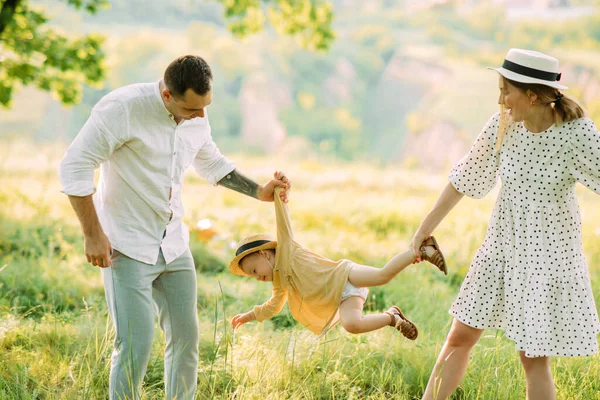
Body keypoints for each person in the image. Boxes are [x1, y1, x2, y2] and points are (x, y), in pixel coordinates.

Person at [58, 55, 290, 400]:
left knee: (186, 340)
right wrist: (92, 233)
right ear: (167, 95)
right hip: (126, 246)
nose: (200, 115)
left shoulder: (196, 112)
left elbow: (209, 159)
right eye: (192, 109)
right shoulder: (122, 109)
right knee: (135, 345)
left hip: (174, 244)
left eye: (205, 107)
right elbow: (74, 166)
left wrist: (258, 191)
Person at [410, 48, 600, 400]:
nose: (500, 99)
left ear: (531, 93)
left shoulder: (577, 133)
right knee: (459, 337)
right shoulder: (502, 125)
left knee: (533, 359)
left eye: (506, 90)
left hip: (547, 258)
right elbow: (463, 178)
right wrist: (424, 228)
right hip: (500, 249)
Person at [229, 181, 447, 338]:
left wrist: (279, 190)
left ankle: (422, 250)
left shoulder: (286, 249)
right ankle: (392, 317)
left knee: (382, 276)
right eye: (252, 276)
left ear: (265, 254)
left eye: (255, 271)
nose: (257, 278)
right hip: (341, 298)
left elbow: (282, 220)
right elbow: (271, 307)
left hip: (344, 274)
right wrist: (248, 316)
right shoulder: (279, 285)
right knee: (352, 325)